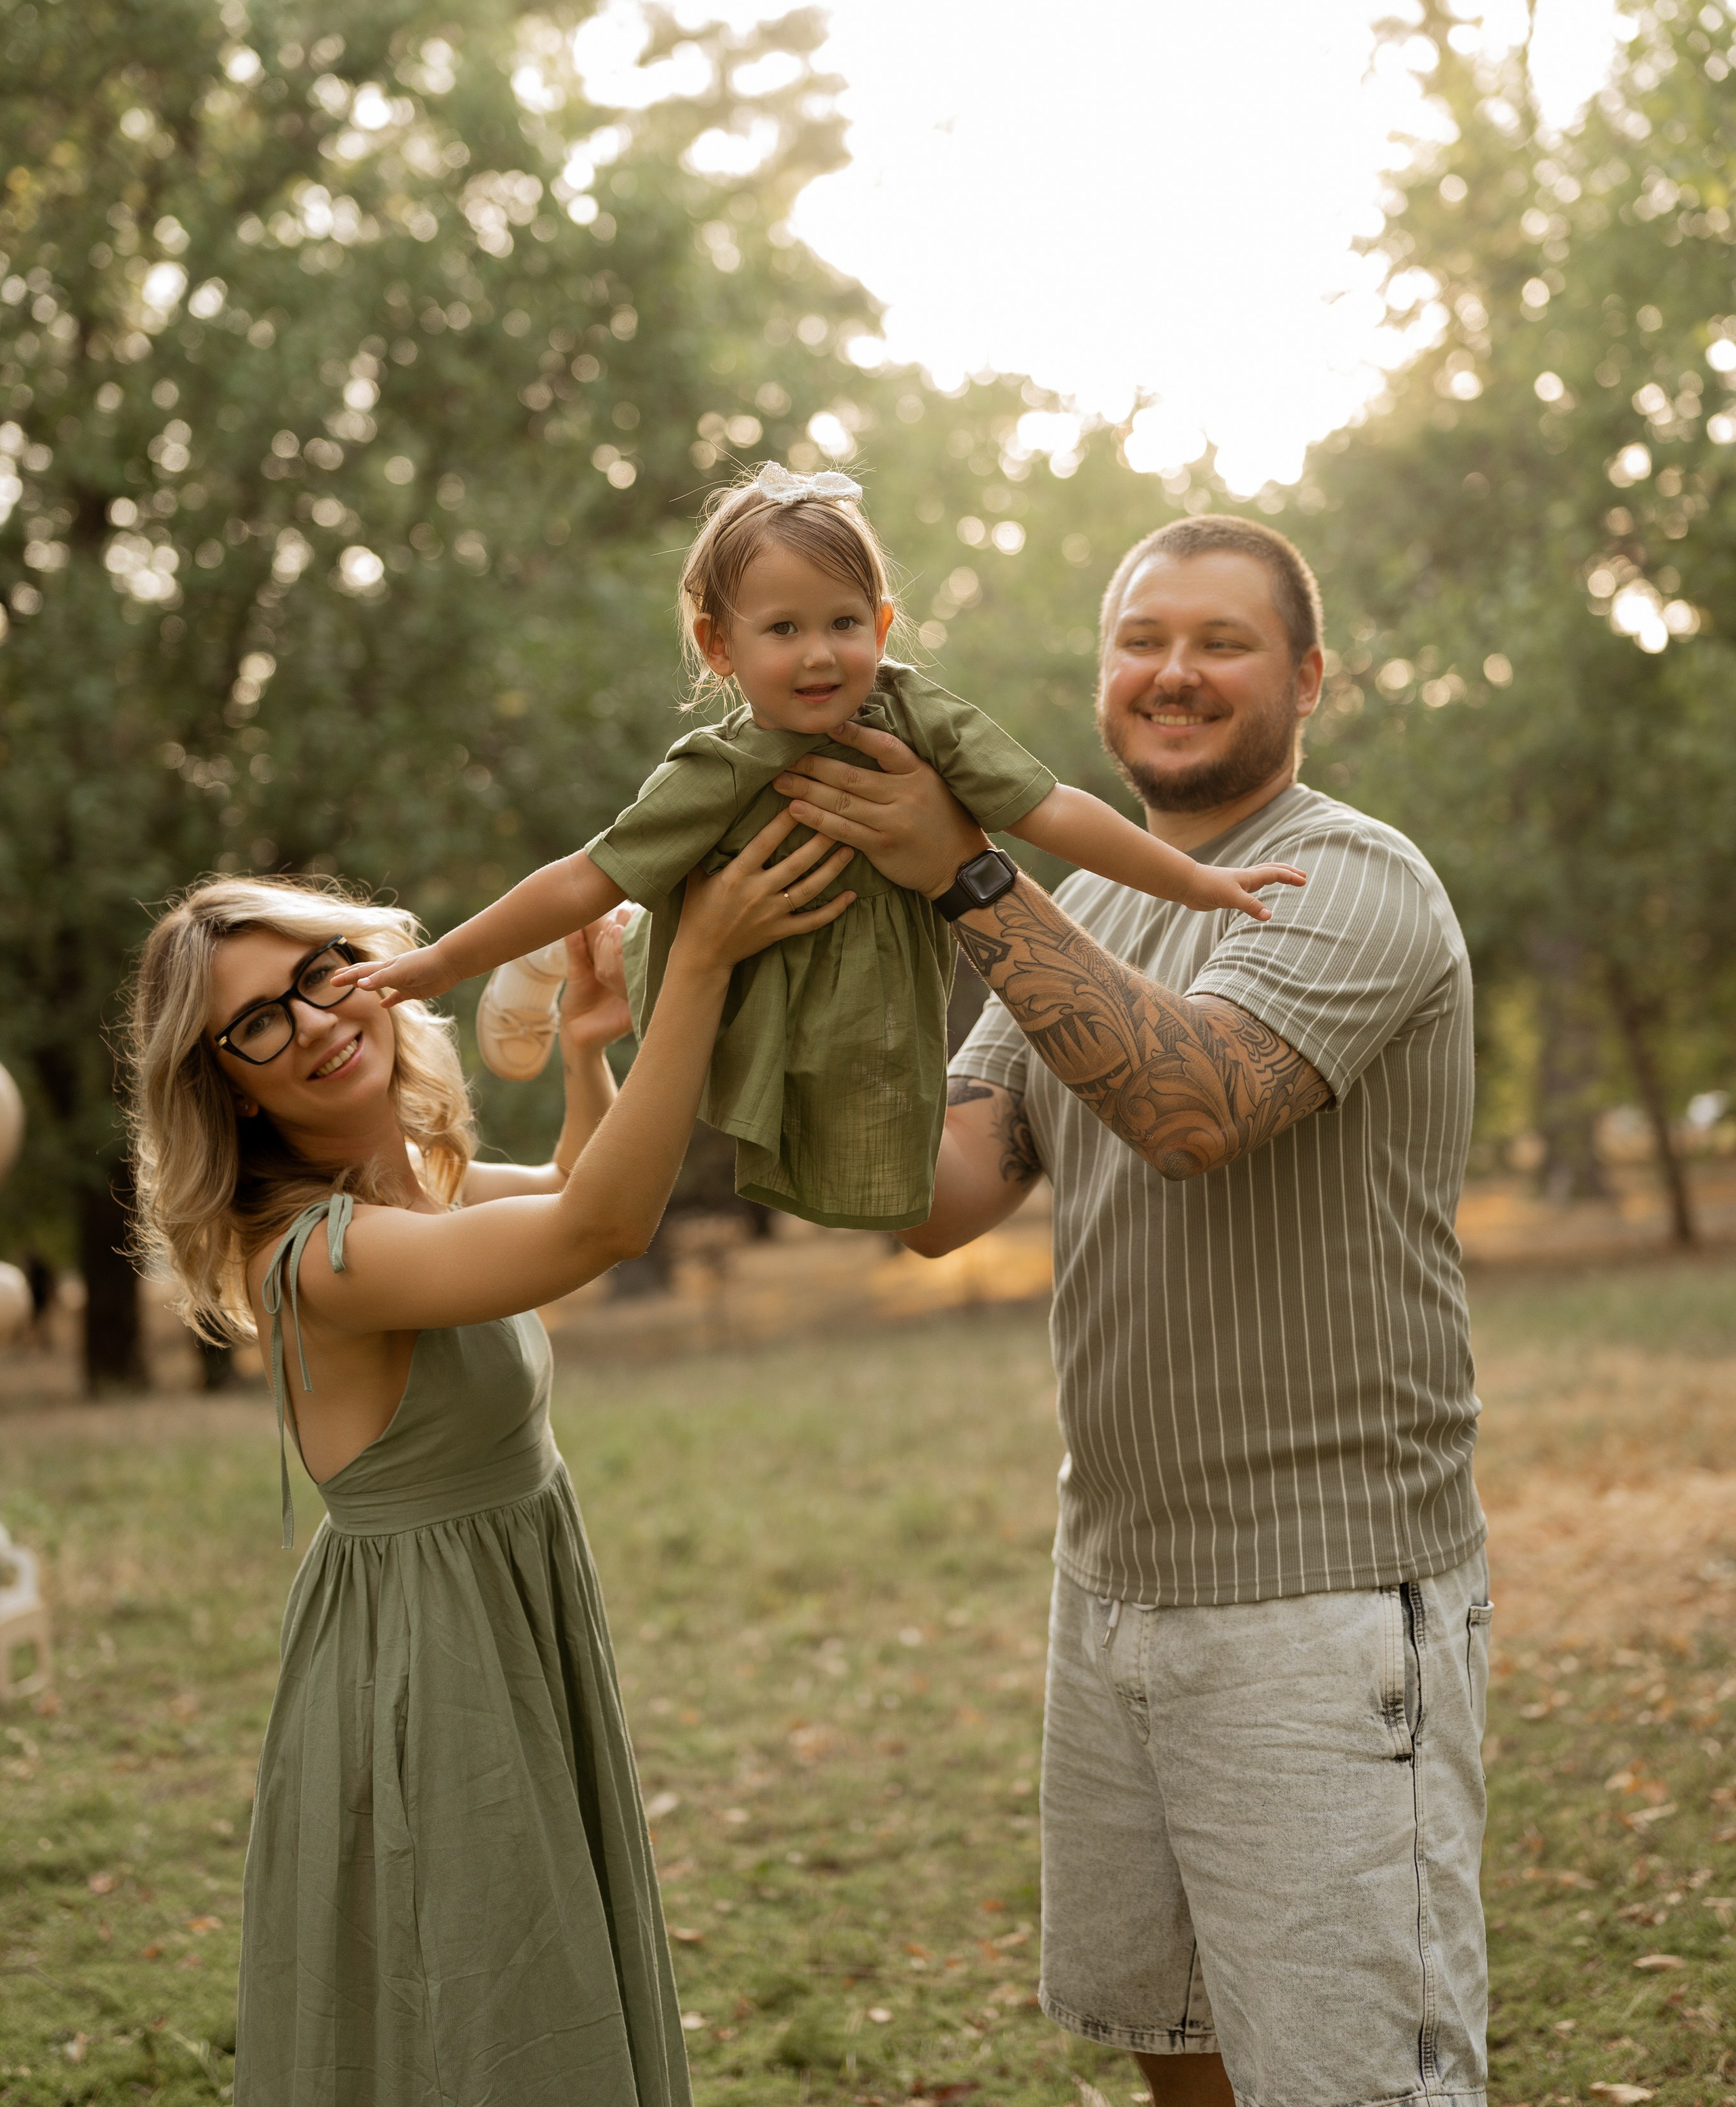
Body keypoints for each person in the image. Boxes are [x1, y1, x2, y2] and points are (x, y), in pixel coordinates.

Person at [770, 514, 1490, 2107]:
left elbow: (1191, 1104)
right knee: (1175, 2044)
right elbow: (943, 1193)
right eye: (1139, 640)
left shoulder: (1349, 879)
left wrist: (966, 874)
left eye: (1218, 641)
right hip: (1113, 1580)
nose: (1171, 671)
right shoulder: (1077, 922)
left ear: (1308, 676)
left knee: (1353, 2080)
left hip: (1320, 1597)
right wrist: (755, 988)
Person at [123, 824, 853, 2107]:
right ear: (228, 1082)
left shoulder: (418, 1187)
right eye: (255, 1026)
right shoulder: (317, 1252)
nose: (309, 1021)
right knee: (487, 2008)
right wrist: (704, 970)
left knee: (521, 1982)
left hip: (501, 1619)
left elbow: (579, 1181)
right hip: (430, 1662)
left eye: (323, 969)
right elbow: (605, 1224)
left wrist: (587, 1045)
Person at [342, 466, 1301, 1229]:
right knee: (622, 915)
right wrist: (444, 961)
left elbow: (1047, 809)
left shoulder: (917, 715)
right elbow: (583, 872)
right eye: (784, 629)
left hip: (859, 995)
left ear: (881, 625)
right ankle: (593, 949)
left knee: (878, 1164)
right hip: (741, 976)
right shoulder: (720, 771)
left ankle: (599, 947)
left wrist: (1194, 881)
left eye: (844, 623)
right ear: (721, 647)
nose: (818, 654)